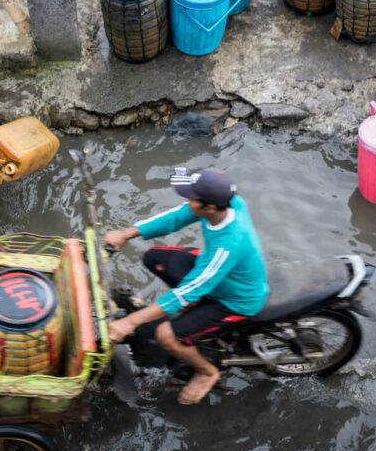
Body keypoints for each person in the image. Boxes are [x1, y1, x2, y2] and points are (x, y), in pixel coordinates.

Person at [103, 168, 268, 405]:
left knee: (166, 335)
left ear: (210, 207)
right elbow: (176, 217)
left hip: (235, 299)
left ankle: (207, 372)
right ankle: (195, 316)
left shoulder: (230, 242)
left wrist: (130, 322)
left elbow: (187, 292)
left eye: (192, 197)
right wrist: (125, 234)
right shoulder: (225, 205)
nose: (186, 200)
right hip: (213, 272)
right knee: (154, 258)